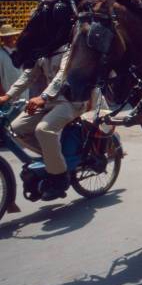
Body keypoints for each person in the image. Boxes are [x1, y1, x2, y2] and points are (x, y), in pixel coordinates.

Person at [0, 46, 90, 201]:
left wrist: (43, 97)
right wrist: (7, 96)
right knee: (17, 128)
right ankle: (54, 158)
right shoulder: (42, 50)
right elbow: (28, 76)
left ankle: (60, 177)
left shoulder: (69, 49)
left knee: (43, 130)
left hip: (71, 101)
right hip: (49, 101)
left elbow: (62, 75)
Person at [0, 23, 23, 97]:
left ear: (14, 36)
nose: (9, 38)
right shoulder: (1, 53)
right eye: (6, 37)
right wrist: (2, 93)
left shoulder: (21, 51)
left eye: (10, 36)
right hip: (7, 91)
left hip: (24, 90)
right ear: (2, 38)